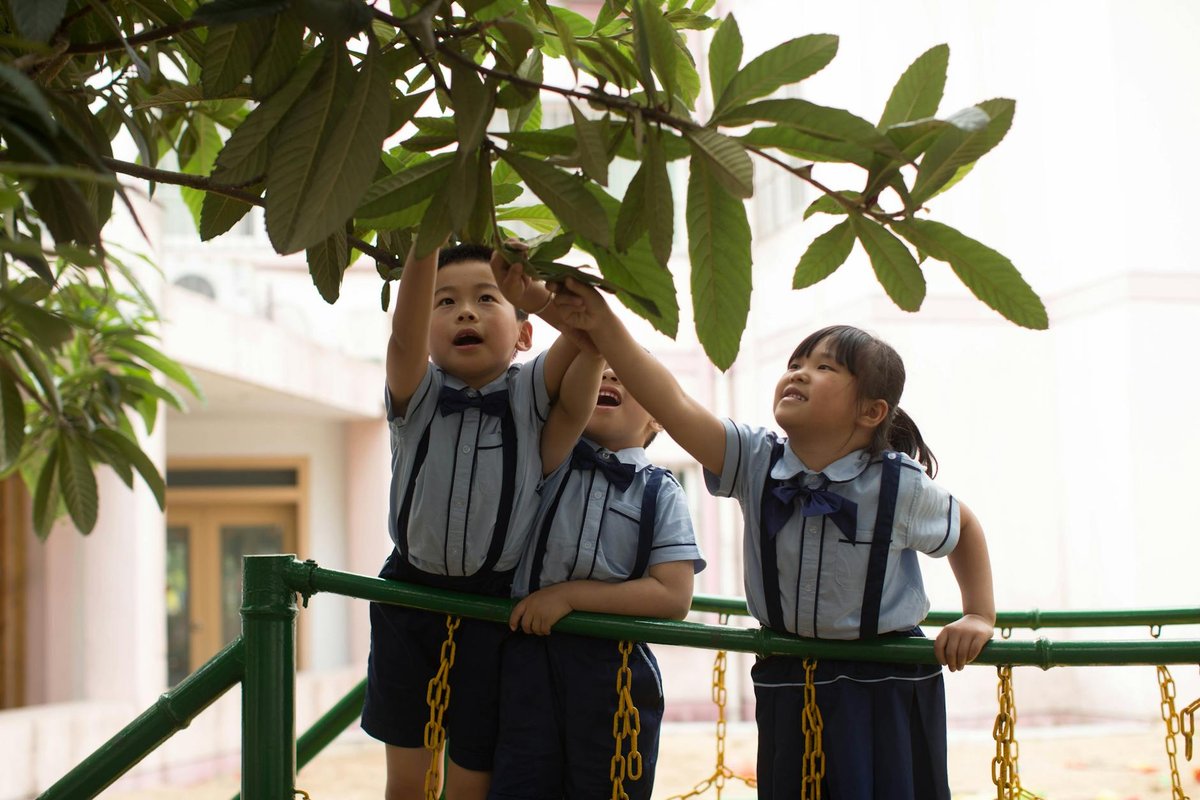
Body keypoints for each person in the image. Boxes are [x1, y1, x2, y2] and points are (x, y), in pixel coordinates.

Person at [551, 279, 995, 800]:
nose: (800, 372)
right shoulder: (756, 461)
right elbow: (670, 402)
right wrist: (602, 325)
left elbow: (963, 526)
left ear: (871, 412)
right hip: (787, 673)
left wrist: (978, 613)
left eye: (826, 367)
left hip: (885, 681)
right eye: (796, 363)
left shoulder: (897, 484)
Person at [360, 243, 589, 800]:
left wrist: (530, 288)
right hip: (409, 597)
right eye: (445, 302)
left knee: (472, 773)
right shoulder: (416, 394)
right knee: (407, 779)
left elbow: (589, 334)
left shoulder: (530, 395)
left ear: (523, 334)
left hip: (492, 605)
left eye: (488, 298)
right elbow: (403, 338)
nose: (465, 311)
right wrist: (426, 241)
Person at [485, 256, 704, 800]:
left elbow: (673, 596)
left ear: (657, 416)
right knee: (520, 781)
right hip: (527, 654)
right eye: (603, 372)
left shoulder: (662, 491)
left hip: (615, 671)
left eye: (626, 377)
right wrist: (580, 321)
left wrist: (569, 597)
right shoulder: (548, 457)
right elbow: (586, 361)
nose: (610, 375)